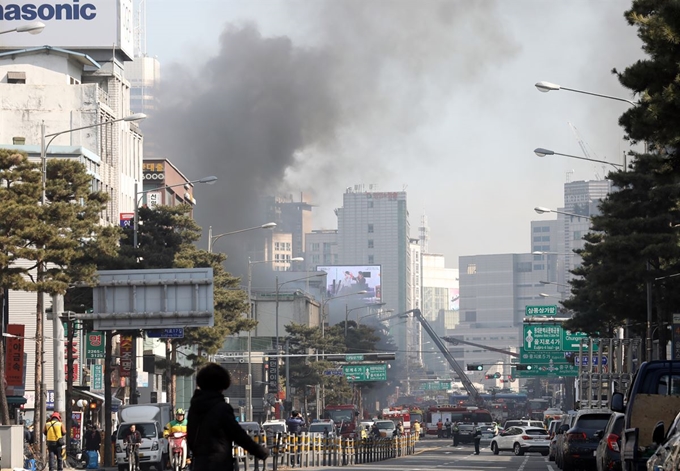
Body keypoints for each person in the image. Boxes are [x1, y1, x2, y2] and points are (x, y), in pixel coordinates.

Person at [187, 363, 268, 471]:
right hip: (219, 463)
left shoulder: (194, 407)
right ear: (222, 386)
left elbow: (191, 436)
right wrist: (259, 451)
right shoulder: (222, 408)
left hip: (199, 464)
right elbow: (238, 434)